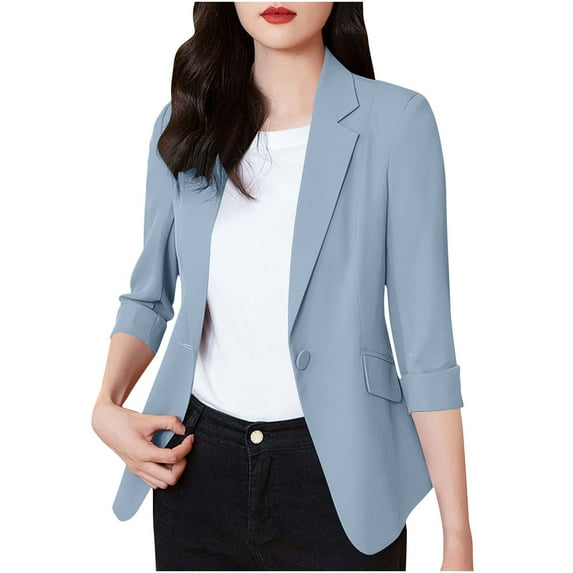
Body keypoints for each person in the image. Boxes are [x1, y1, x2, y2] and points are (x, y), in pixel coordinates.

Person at [92, 2, 473, 571]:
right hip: (197, 474)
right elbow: (150, 296)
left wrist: (457, 538)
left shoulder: (397, 123)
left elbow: (426, 352)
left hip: (341, 482)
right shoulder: (186, 120)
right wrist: (106, 406)